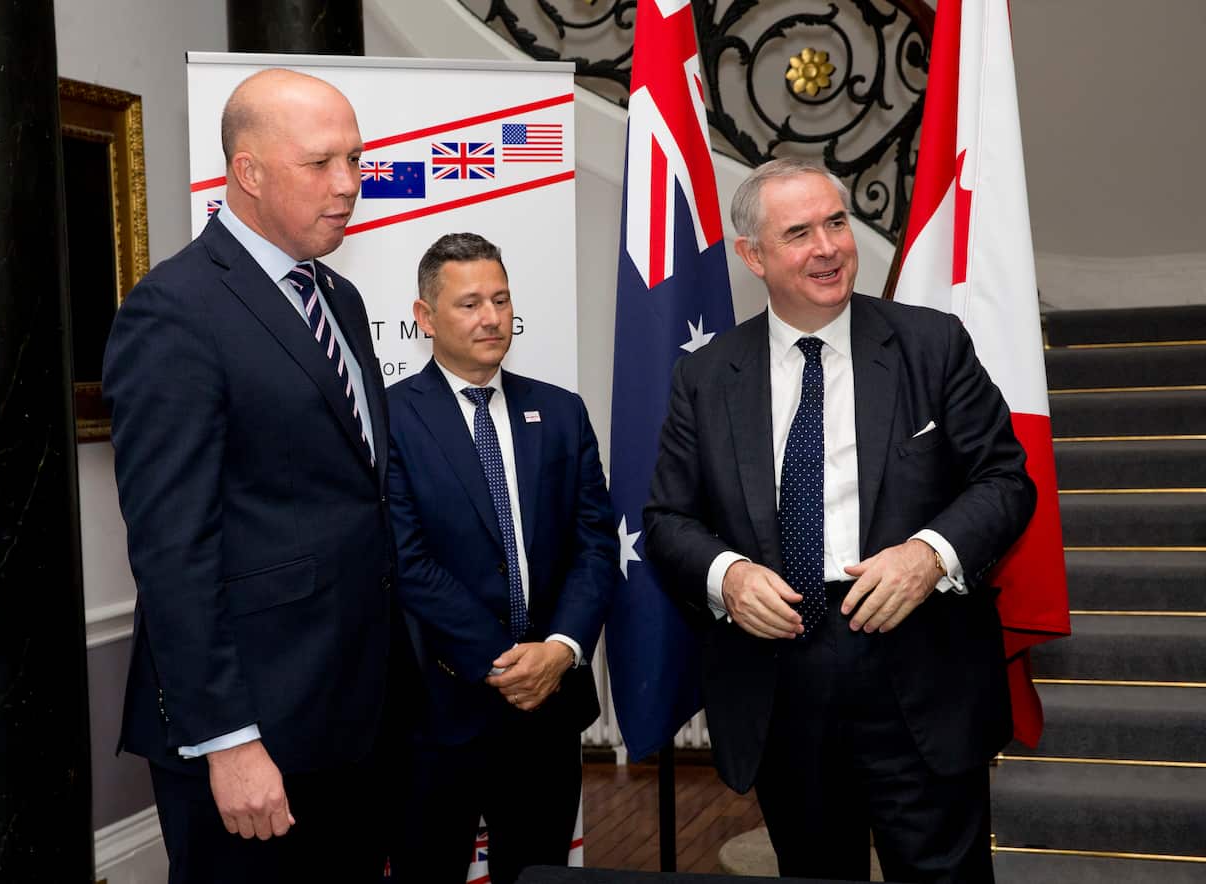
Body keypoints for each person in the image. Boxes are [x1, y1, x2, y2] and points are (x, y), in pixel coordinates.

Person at [643, 157, 1036, 883]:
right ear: (753, 256)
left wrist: (929, 554)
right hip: (782, 678)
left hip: (918, 671)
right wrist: (728, 578)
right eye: (799, 232)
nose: (828, 246)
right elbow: (668, 518)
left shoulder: (932, 344)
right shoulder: (706, 375)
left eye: (836, 222)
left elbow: (1006, 482)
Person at [103, 69, 395, 882]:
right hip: (251, 729)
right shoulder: (176, 310)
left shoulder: (337, 297)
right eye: (321, 163)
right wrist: (229, 742)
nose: (348, 186)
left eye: (356, 160)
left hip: (352, 718)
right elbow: (173, 549)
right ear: (248, 172)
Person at [385, 233, 619, 884]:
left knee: (539, 876)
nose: (491, 317)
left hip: (548, 709)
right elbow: (407, 561)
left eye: (500, 299)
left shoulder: (562, 413)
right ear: (426, 318)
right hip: (439, 711)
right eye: (469, 304)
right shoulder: (390, 420)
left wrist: (560, 649)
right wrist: (504, 663)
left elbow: (595, 545)